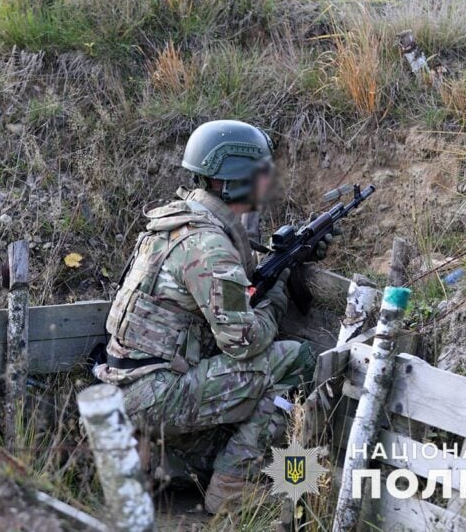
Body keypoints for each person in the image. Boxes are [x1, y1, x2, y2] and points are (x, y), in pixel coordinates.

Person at [94, 120, 328, 514]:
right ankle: (232, 489)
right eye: (260, 173)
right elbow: (245, 344)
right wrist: (277, 296)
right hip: (156, 396)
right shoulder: (210, 246)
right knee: (296, 360)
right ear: (232, 180)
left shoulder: (174, 224)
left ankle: (188, 468)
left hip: (126, 385)